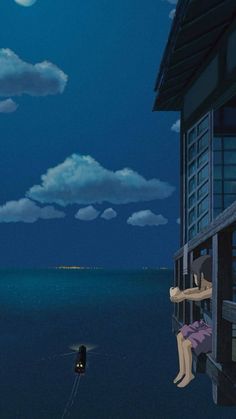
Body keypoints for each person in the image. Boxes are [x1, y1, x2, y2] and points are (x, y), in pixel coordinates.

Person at [170, 255, 212, 388]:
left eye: (196, 276)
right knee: (180, 336)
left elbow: (199, 295)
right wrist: (180, 294)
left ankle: (189, 374)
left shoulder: (214, 288)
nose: (194, 279)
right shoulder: (204, 286)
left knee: (187, 344)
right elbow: (192, 291)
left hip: (214, 330)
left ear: (205, 275)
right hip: (206, 325)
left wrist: (182, 296)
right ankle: (182, 370)